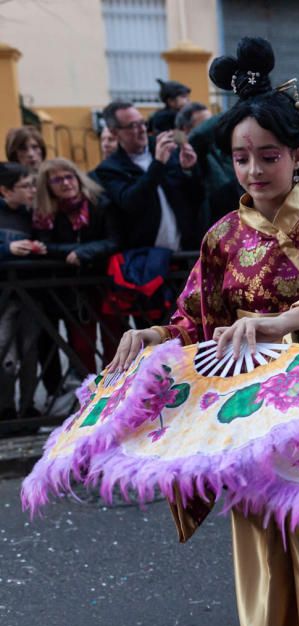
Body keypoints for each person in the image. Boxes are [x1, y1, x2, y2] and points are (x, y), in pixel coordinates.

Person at [106, 36, 299, 626]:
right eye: (242, 158)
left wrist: (283, 321)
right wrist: (151, 336)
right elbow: (198, 318)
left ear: (298, 155)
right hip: (252, 406)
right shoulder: (223, 236)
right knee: (261, 536)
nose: (255, 171)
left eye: (269, 156)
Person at [33, 158, 121, 375]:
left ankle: (117, 392)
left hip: (106, 282)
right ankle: (89, 396)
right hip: (73, 290)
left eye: (69, 176)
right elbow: (44, 246)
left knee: (115, 341)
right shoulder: (46, 214)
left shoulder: (99, 203)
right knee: (82, 345)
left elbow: (115, 240)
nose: (65, 183)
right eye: (57, 180)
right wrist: (69, 252)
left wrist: (84, 252)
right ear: (47, 186)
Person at [96, 100, 204, 251]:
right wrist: (158, 163)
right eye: (133, 126)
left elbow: (195, 197)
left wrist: (189, 169)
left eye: (142, 122)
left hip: (187, 249)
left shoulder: (166, 148)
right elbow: (132, 202)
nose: (141, 130)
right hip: (148, 257)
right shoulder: (109, 168)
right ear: (114, 132)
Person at [0, 162, 41, 421]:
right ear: (5, 190)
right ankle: (5, 409)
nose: (31, 191)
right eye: (24, 186)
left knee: (29, 353)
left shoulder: (31, 215)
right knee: (5, 355)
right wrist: (8, 250)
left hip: (30, 294)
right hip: (4, 297)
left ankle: (28, 410)